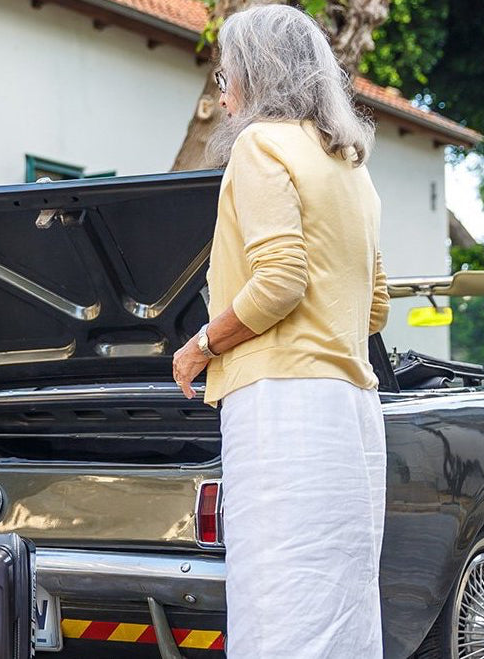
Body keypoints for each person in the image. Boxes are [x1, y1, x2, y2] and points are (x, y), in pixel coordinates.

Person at [170, 5, 390, 658]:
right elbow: (373, 308)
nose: (221, 88)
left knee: (280, 606)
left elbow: (279, 280)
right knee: (341, 608)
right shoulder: (351, 166)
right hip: (351, 412)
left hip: (282, 407)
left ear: (254, 73)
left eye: (226, 71)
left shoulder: (260, 146)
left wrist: (200, 345)